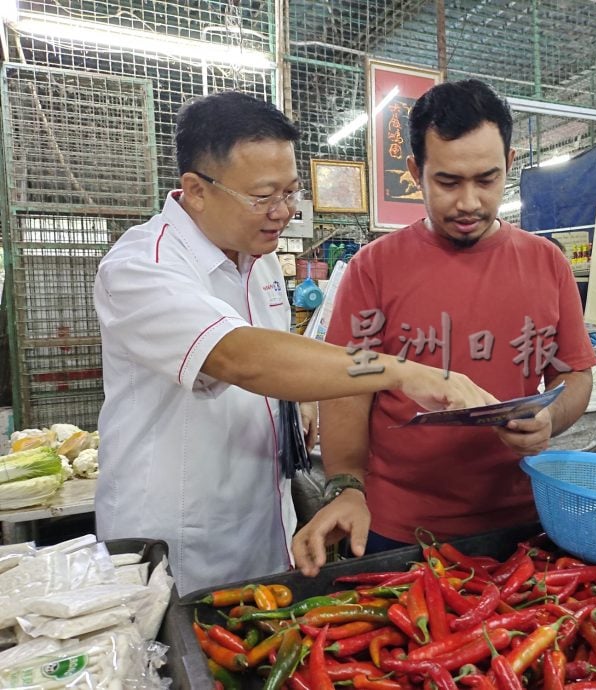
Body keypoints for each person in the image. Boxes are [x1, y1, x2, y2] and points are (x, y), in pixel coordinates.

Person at [93, 91, 496, 596]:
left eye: (291, 192)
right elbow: (239, 355)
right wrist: (403, 371)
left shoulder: (256, 257)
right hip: (175, 536)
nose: (282, 213)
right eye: (263, 197)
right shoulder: (141, 267)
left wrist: (298, 401)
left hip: (260, 517)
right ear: (196, 190)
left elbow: (276, 355)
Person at [293, 80, 596, 576]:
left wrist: (551, 418)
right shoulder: (375, 268)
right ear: (416, 172)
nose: (469, 202)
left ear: (510, 163)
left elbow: (575, 375)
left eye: (487, 179)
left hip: (521, 519)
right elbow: (348, 384)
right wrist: (346, 486)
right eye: (448, 182)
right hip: (398, 525)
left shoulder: (548, 264)